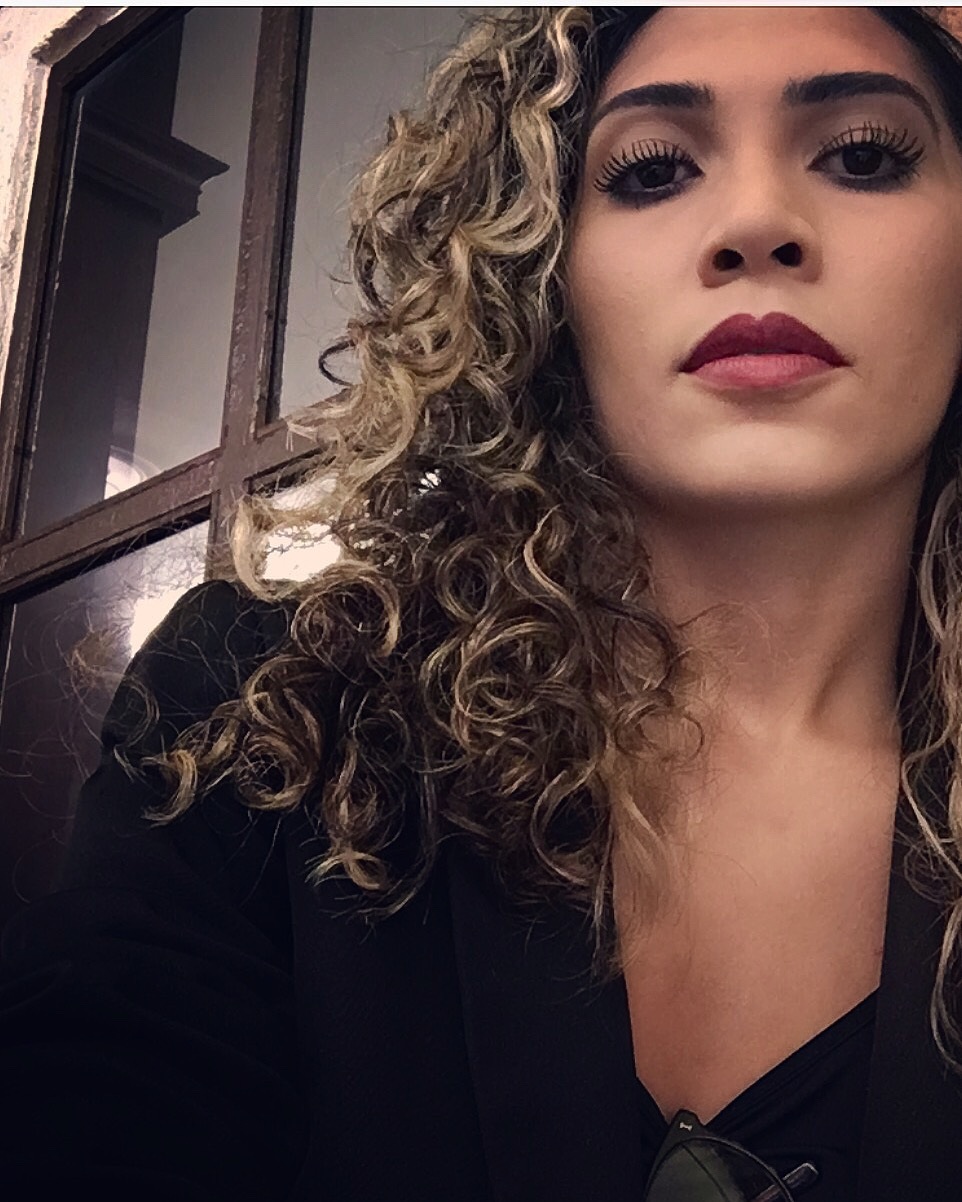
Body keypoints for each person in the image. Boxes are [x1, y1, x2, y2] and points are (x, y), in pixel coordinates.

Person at [4, 5, 962, 1199]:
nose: (756, 221)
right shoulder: (267, 714)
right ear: (540, 279)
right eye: (651, 169)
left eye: (862, 154)